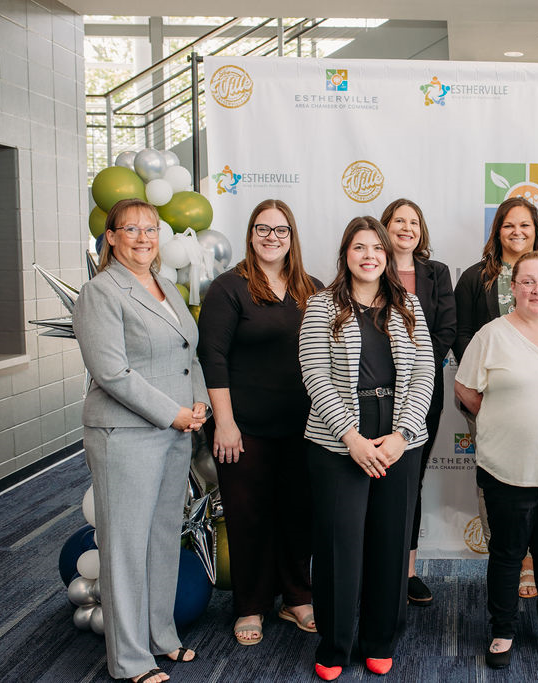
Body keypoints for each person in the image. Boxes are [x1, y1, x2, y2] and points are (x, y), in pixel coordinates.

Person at [73, 198, 209, 683]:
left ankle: (160, 635)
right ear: (111, 238)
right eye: (130, 229)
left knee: (162, 537)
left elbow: (188, 355)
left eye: (150, 229)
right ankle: (130, 659)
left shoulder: (166, 286)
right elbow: (112, 372)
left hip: (175, 430)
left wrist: (198, 404)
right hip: (126, 434)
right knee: (125, 547)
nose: (143, 238)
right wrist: (173, 413)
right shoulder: (100, 292)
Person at [299, 216, 434, 680]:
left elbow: (425, 372)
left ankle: (380, 640)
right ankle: (334, 645)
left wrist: (402, 435)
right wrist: (350, 438)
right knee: (339, 545)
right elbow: (314, 376)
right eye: (359, 247)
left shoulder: (408, 304)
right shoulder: (321, 305)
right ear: (346, 255)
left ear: (387, 255)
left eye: (377, 248)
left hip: (400, 438)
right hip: (339, 440)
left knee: (391, 542)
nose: (369, 256)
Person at [454, 251, 538, 669]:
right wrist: (500, 419)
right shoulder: (491, 335)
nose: (537, 290)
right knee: (507, 553)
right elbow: (465, 388)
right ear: (512, 288)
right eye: (527, 281)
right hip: (506, 468)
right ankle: (503, 631)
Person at [197, 199, 322, 645]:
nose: (272, 237)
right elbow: (212, 356)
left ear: (292, 236)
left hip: (304, 428)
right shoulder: (229, 288)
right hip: (244, 428)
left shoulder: (311, 288)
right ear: (251, 235)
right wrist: (225, 423)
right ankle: (250, 606)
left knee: (298, 515)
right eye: (263, 229)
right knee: (249, 518)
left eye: (281, 230)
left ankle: (297, 598)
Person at [452, 196, 538, 599]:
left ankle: (533, 564)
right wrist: (487, 397)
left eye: (525, 225)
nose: (517, 232)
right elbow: (462, 334)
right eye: (509, 225)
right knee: (499, 486)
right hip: (489, 396)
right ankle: (509, 559)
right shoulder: (475, 277)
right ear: (497, 230)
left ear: (536, 231)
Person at [380, 198, 456, 607]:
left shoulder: (436, 273)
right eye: (398, 221)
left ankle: (407, 571)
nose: (406, 228)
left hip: (422, 392)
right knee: (371, 478)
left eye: (413, 222)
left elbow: (446, 330)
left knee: (411, 479)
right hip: (371, 391)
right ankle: (372, 567)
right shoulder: (370, 265)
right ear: (385, 226)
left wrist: (414, 369)